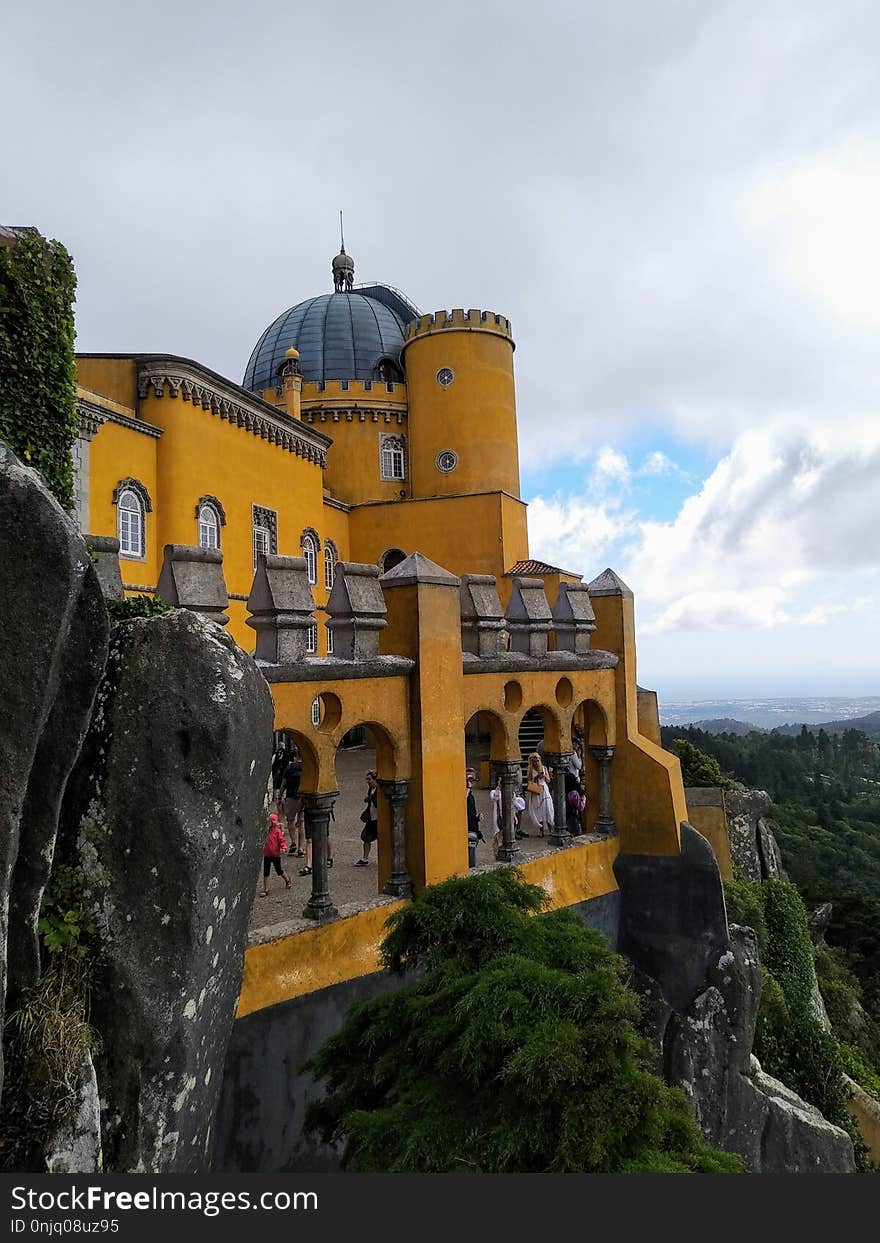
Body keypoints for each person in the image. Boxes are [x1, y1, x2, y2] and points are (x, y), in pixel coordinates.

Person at [261, 812, 291, 896]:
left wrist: (284, 848)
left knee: (279, 870)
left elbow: (282, 841)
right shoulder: (265, 832)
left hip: (275, 854)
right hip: (267, 854)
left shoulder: (277, 832)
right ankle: (266, 889)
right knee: (266, 872)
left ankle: (287, 880)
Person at [524, 752, 554, 837]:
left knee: (547, 807)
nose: (536, 763)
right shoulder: (530, 770)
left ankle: (551, 829)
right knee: (538, 809)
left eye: (537, 761)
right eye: (534, 761)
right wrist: (536, 777)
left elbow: (549, 780)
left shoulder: (544, 768)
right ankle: (541, 831)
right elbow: (529, 781)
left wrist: (544, 776)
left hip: (544, 789)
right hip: (536, 790)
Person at [281, 749, 303, 856]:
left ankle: (293, 842)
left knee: (290, 820)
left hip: (290, 797)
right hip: (302, 797)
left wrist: (280, 795)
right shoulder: (306, 767)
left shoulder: (289, 768)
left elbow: (284, 783)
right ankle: (301, 847)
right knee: (301, 823)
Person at [354, 770, 379, 866]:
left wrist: (370, 798)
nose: (367, 781)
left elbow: (377, 803)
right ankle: (365, 858)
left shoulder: (378, 790)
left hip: (378, 819)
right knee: (366, 837)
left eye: (369, 779)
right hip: (372, 818)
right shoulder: (371, 789)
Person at [271, 742, 290, 811]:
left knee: (276, 785)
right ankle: (281, 800)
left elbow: (273, 762)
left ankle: (275, 798)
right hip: (283, 772)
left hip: (277, 770)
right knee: (282, 785)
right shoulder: (286, 753)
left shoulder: (277, 753)